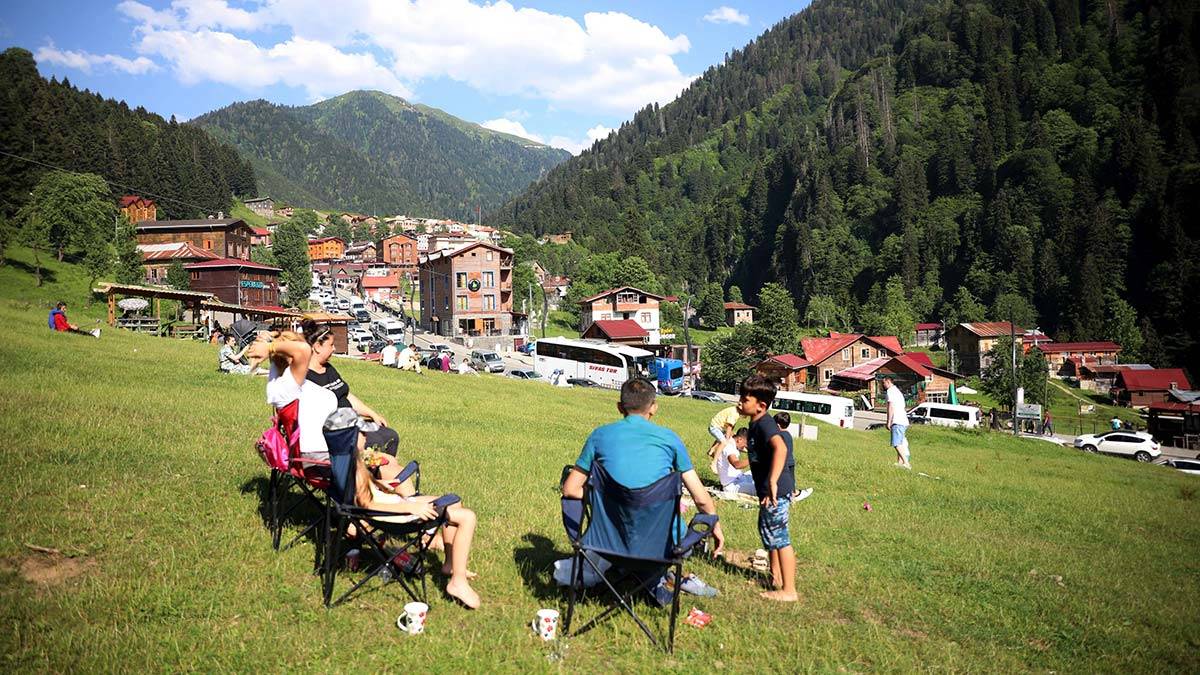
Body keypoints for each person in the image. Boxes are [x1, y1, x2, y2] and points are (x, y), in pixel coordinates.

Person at [562, 378, 725, 556]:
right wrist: (713, 523)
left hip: (607, 541)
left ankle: (592, 560)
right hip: (663, 546)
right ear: (654, 407)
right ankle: (656, 579)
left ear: (619, 407)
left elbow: (570, 490)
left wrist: (608, 497)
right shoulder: (670, 439)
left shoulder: (599, 436)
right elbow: (701, 499)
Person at [352, 446, 481, 609]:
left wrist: (380, 485)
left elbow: (367, 492)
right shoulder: (353, 465)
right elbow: (368, 505)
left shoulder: (349, 459)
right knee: (468, 517)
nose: (365, 436)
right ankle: (458, 582)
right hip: (397, 515)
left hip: (395, 504)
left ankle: (450, 565)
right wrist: (410, 507)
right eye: (361, 432)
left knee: (454, 502)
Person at [300, 319, 402, 462]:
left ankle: (377, 477)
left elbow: (346, 395)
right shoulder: (306, 377)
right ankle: (368, 477)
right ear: (317, 347)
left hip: (351, 423)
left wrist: (373, 414)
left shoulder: (328, 369)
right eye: (331, 345)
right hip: (337, 434)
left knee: (391, 435)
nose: (334, 349)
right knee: (380, 440)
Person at [738, 375, 797, 602]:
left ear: (761, 406)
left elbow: (780, 448)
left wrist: (772, 481)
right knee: (769, 531)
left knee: (780, 537)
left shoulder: (765, 424)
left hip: (776, 490)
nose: (740, 402)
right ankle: (776, 578)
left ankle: (789, 590)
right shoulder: (755, 423)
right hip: (767, 490)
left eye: (745, 399)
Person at [248, 331, 335, 461]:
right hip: (323, 457)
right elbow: (303, 349)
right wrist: (270, 347)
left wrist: (271, 341)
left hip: (315, 453)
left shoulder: (277, 377)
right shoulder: (290, 384)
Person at [773, 412, 813, 502]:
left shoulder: (779, 436)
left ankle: (789, 495)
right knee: (790, 483)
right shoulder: (788, 435)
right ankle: (792, 495)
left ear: (777, 425)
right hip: (790, 462)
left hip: (783, 464)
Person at [715, 429, 754, 496]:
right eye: (745, 444)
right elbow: (736, 464)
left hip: (740, 478)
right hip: (732, 486)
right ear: (739, 439)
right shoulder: (728, 447)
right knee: (760, 489)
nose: (745, 447)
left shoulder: (733, 444)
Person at [883, 375, 911, 470]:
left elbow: (891, 406)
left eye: (884, 383)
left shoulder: (890, 391)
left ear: (888, 382)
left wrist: (889, 421)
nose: (883, 385)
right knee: (900, 441)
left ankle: (906, 463)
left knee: (896, 443)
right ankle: (900, 462)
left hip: (897, 420)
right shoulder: (897, 391)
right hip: (903, 420)